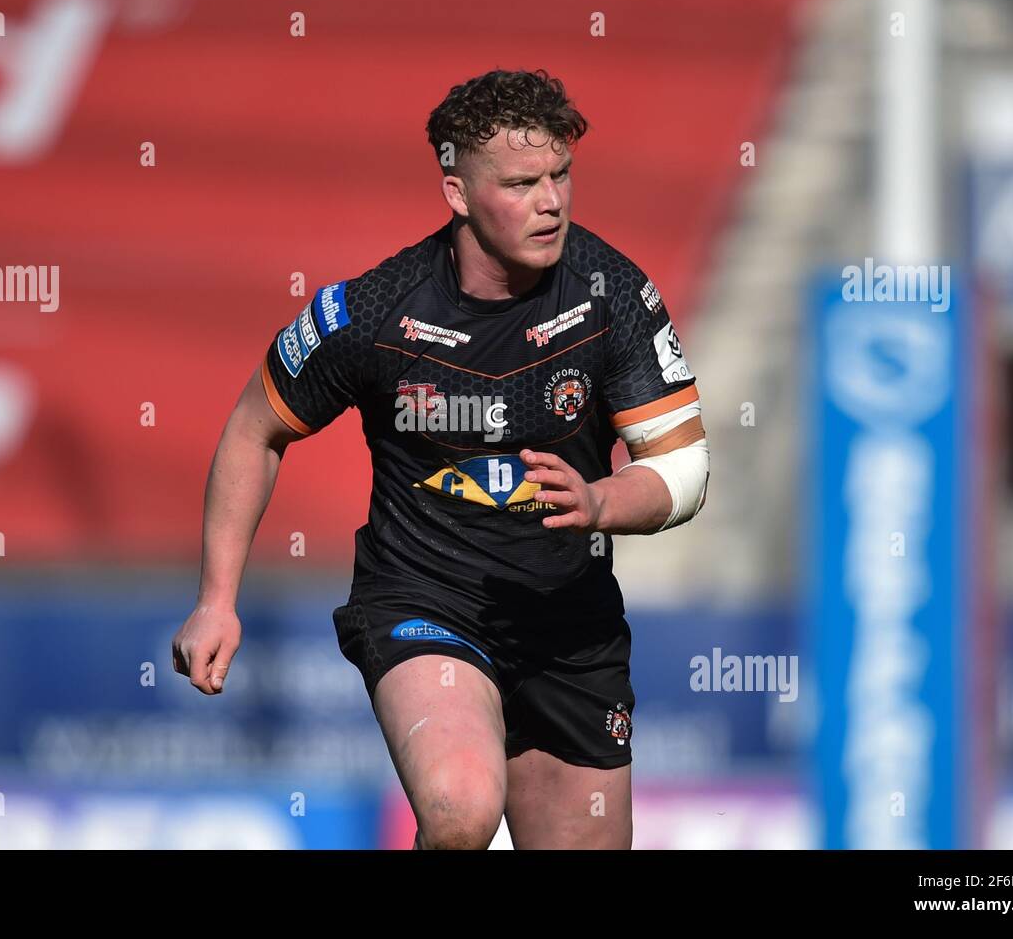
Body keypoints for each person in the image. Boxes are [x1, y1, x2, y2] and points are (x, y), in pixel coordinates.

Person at [172, 68, 709, 849]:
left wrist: (599, 503)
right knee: (460, 810)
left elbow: (684, 471)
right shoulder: (375, 312)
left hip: (568, 627)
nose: (551, 201)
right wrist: (217, 599)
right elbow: (255, 429)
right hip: (426, 599)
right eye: (522, 183)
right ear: (457, 193)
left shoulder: (611, 295)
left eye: (561, 175)